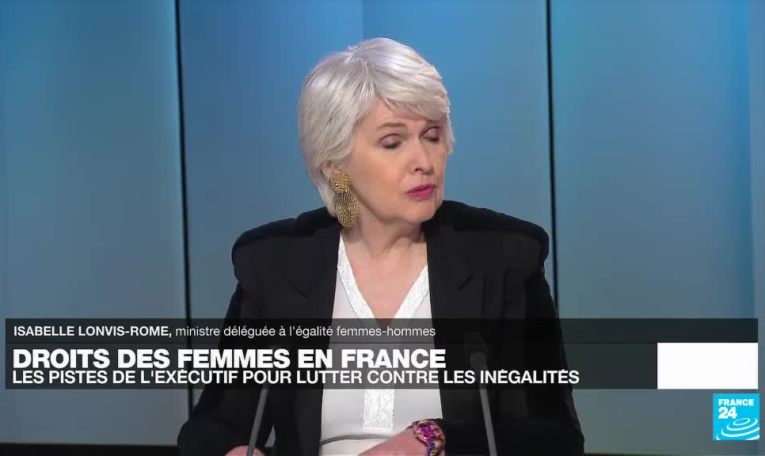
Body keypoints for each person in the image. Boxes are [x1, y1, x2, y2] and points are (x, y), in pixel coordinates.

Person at [177, 37, 584, 456]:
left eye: (432, 136)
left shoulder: (502, 260)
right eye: (393, 143)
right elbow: (211, 427)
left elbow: (554, 438)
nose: (423, 161)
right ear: (335, 166)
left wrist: (433, 439)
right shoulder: (277, 265)